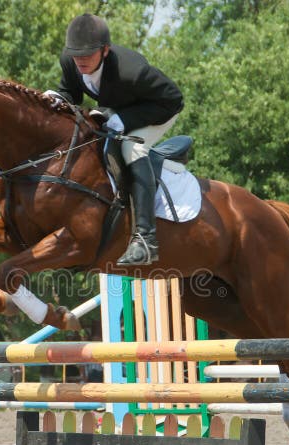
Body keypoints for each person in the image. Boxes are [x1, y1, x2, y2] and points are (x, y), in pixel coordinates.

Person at [45, 13, 184, 266]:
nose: (81, 61)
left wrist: (124, 118)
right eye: (76, 54)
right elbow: (70, 92)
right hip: (120, 111)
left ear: (105, 50)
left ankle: (145, 239)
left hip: (157, 111)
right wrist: (56, 97)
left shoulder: (133, 72)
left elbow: (174, 100)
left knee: (132, 149)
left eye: (87, 55)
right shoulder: (71, 60)